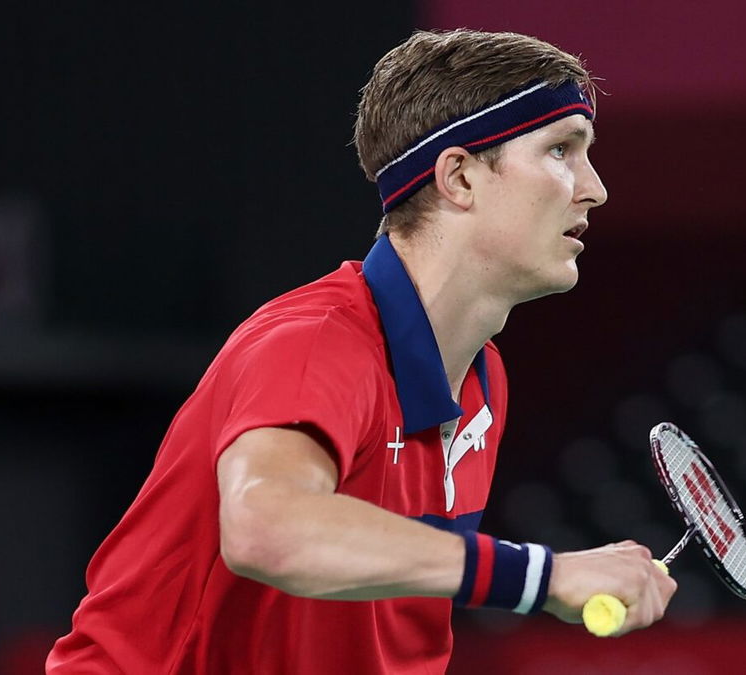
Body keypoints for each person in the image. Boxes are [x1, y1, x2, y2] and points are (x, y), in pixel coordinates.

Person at [46, 29, 676, 674]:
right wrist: (538, 576)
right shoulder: (316, 342)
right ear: (458, 176)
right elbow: (268, 528)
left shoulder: (483, 383)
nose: (593, 187)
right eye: (561, 151)